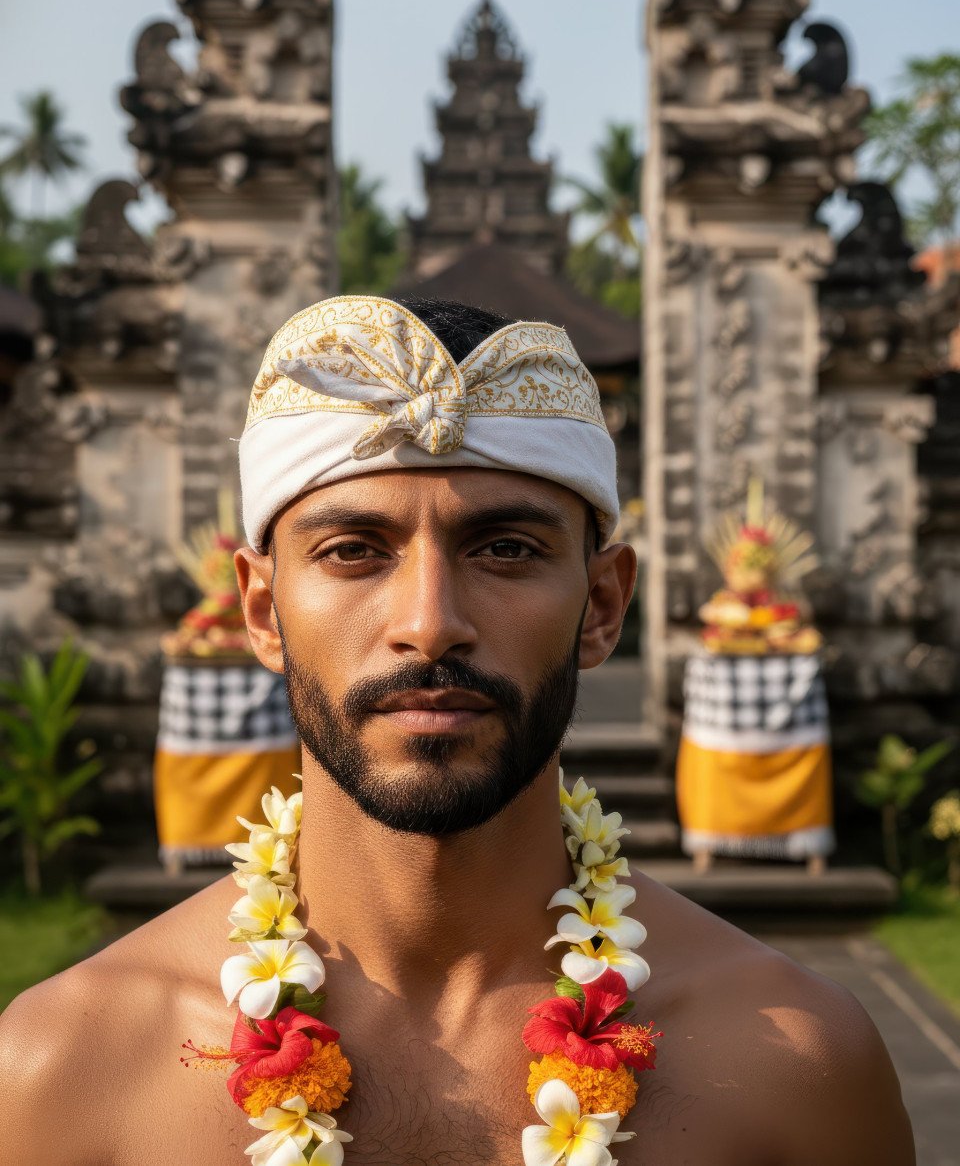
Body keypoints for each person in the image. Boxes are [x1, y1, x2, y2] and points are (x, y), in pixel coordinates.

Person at [0, 295, 914, 1165]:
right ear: (263, 609)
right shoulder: (62, 1068)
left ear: (602, 606)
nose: (430, 623)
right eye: (353, 551)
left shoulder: (795, 1066)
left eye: (505, 548)